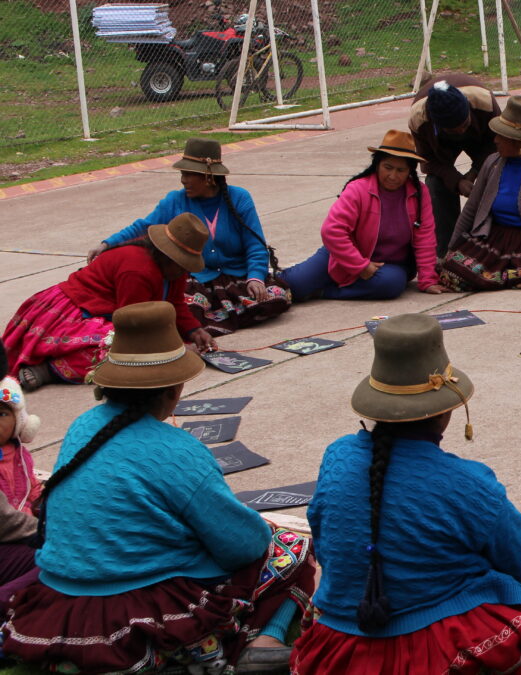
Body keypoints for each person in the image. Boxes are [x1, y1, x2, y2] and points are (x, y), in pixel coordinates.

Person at [290, 313, 521, 673]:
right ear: (447, 411)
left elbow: (328, 547)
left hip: (339, 646)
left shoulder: (336, 455)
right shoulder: (469, 482)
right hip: (436, 648)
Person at [1, 301, 316, 673]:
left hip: (61, 599)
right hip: (131, 608)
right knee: (289, 547)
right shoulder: (179, 449)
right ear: (173, 390)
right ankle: (266, 640)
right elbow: (242, 546)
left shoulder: (82, 427)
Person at [88, 138, 291, 336]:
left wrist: (255, 277)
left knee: (275, 297)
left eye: (189, 174)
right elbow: (143, 227)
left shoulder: (239, 198)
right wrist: (107, 244)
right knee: (185, 309)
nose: (183, 180)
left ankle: (220, 317)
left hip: (237, 276)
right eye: (182, 174)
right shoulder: (174, 201)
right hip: (199, 280)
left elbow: (255, 244)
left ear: (208, 176)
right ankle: (222, 318)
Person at [4, 214, 217, 390]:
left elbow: (175, 304)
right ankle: (49, 370)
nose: (183, 271)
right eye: (181, 265)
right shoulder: (137, 271)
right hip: (73, 311)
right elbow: (133, 324)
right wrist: (175, 349)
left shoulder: (174, 270)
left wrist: (194, 331)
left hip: (109, 313)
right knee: (119, 351)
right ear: (165, 255)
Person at [280, 130, 446, 301]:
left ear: (410, 171)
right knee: (292, 285)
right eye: (387, 167)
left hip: (388, 265)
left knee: (391, 284)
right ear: (377, 164)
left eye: (400, 170)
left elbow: (425, 237)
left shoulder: (420, 193)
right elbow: (332, 231)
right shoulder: (357, 189)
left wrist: (427, 280)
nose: (393, 176)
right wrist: (360, 265)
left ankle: (323, 292)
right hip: (345, 254)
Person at [440, 96, 521, 291]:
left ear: (518, 141)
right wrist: (452, 248)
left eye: (501, 136)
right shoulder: (492, 163)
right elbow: (471, 209)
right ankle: (514, 277)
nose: (495, 140)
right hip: (495, 238)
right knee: (453, 267)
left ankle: (495, 278)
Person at [408, 75, 503, 257]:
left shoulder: (485, 102)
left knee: (497, 172)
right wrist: (456, 181)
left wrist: (475, 172)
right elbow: (428, 160)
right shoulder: (419, 120)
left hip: (481, 136)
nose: (461, 131)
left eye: (464, 124)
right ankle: (447, 251)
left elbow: (496, 145)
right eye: (454, 129)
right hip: (440, 145)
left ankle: (493, 244)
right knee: (436, 184)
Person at [0, 375, 43, 615]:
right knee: (55, 559)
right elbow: (6, 523)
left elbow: (31, 486)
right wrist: (45, 531)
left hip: (21, 524)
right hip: (11, 534)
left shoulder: (19, 453)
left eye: (2, 414)